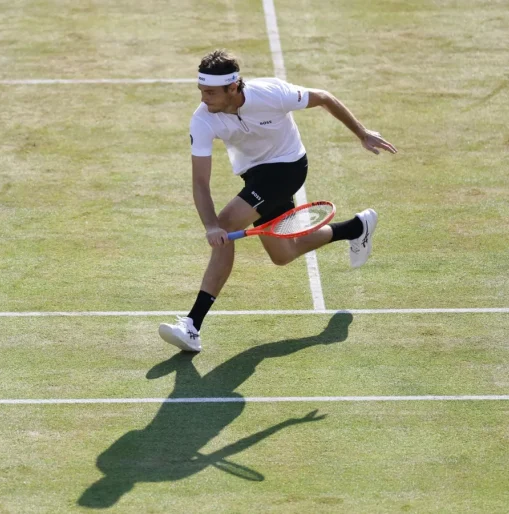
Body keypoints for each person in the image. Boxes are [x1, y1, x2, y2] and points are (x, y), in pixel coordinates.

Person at [158, 49, 397, 353]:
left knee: (227, 223)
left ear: (233, 88)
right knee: (284, 252)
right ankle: (355, 228)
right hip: (255, 176)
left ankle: (192, 325)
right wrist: (208, 226)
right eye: (201, 91)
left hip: (288, 167)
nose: (204, 98)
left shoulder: (271, 93)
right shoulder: (203, 120)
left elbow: (323, 97)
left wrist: (362, 133)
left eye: (210, 92)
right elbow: (200, 183)